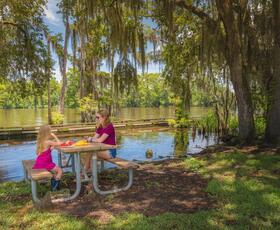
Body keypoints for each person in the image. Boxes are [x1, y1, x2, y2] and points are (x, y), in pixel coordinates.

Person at [33, 125, 63, 191]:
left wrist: (50, 149)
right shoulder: (48, 142)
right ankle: (55, 188)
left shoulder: (40, 142)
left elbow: (43, 152)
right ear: (48, 133)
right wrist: (55, 136)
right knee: (59, 170)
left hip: (39, 163)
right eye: (50, 131)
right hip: (46, 163)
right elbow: (60, 143)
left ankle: (53, 185)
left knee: (54, 173)